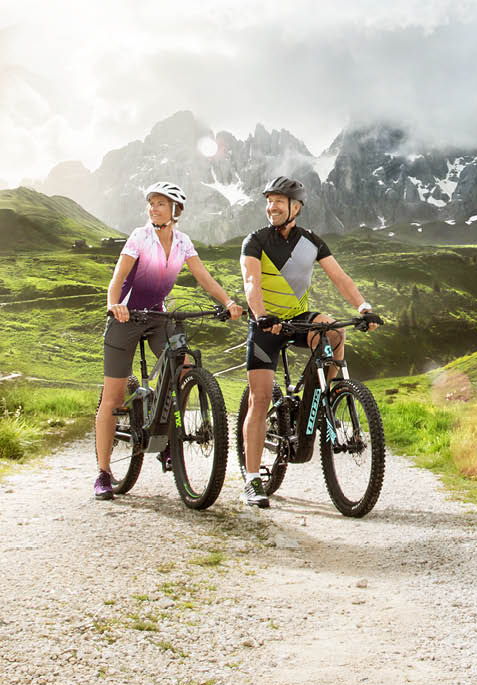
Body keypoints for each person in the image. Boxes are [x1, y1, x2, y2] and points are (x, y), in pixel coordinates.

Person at [94, 182, 243, 500]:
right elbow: (117, 279)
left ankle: (168, 441)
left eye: (161, 203)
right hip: (126, 316)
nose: (153, 208)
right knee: (114, 396)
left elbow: (204, 277)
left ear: (176, 210)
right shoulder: (140, 236)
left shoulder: (183, 242)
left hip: (158, 317)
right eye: (151, 203)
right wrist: (114, 304)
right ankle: (104, 473)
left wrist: (228, 302)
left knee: (184, 365)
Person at [239, 176, 380, 508]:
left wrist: (363, 307)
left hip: (298, 318)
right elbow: (250, 282)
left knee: (333, 330)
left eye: (278, 201)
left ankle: (320, 398)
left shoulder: (311, 242)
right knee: (259, 401)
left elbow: (340, 277)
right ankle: (251, 478)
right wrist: (260, 314)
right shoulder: (255, 240)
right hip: (266, 325)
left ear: (296, 207)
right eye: (269, 201)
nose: (271, 207)